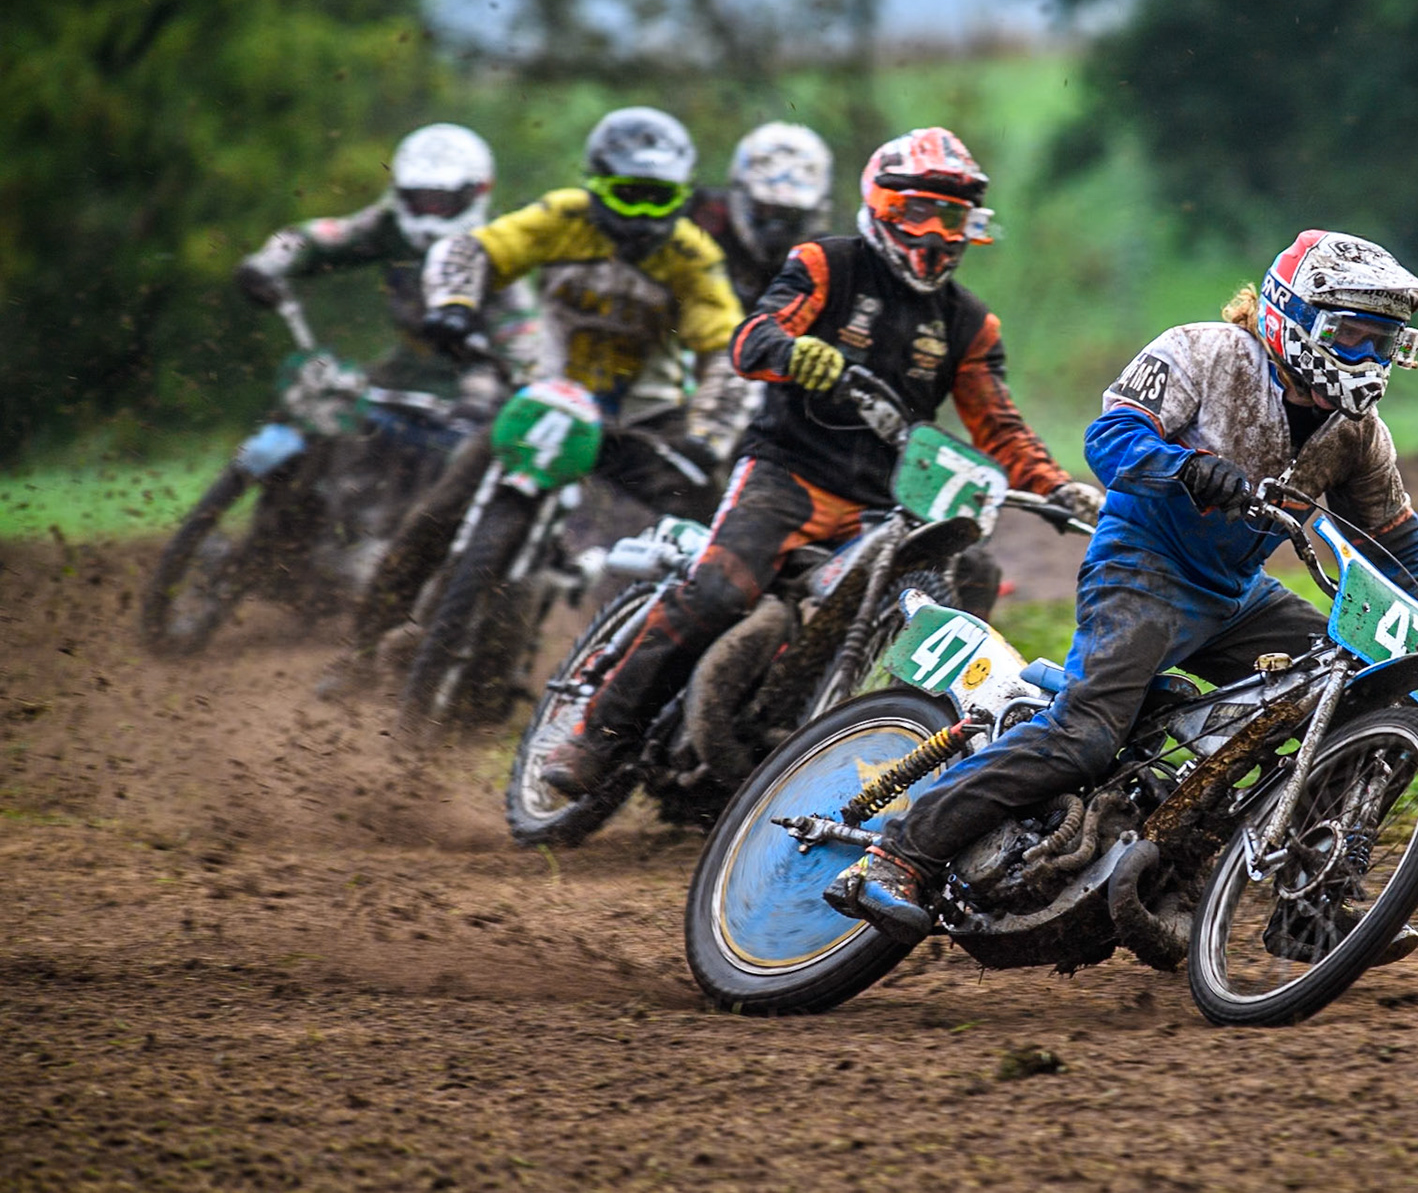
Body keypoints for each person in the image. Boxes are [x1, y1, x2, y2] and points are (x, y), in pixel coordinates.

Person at [824, 229, 1418, 955]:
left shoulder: (1358, 432)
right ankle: (900, 853)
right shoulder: (1206, 352)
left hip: (1235, 595)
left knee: (1370, 699)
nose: (1371, 358)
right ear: (1291, 316)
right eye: (1355, 336)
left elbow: (1403, 542)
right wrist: (1184, 466)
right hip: (1142, 566)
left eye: (1386, 341)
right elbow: (1109, 436)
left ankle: (1310, 906)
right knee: (1085, 736)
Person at [538, 126, 1105, 798]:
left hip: (883, 506)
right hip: (787, 476)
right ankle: (594, 736)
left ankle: (893, 747)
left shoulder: (968, 324)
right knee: (719, 591)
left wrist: (1060, 488)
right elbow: (750, 339)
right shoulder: (826, 265)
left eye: (950, 216)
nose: (933, 232)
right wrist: (792, 352)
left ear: (971, 226)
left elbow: (999, 427)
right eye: (916, 211)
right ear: (882, 208)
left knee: (973, 572)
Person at [318, 107, 749, 697]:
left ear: (682, 196)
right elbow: (471, 251)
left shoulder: (694, 255)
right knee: (435, 514)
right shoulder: (562, 217)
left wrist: (710, 437)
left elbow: (727, 351)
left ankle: (681, 694)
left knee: (723, 532)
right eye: (628, 196)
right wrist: (453, 304)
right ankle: (360, 654)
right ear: (597, 186)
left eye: (660, 199)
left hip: (640, 423)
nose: (643, 216)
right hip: (548, 396)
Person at [233, 122, 534, 401]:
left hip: (472, 387)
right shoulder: (387, 226)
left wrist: (496, 392)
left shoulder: (495, 252)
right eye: (421, 198)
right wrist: (266, 264)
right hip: (402, 372)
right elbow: (318, 238)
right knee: (318, 408)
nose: (430, 211)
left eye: (441, 200)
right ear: (401, 192)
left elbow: (524, 336)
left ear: (477, 192)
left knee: (469, 440)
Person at [685, 122, 835, 310]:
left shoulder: (826, 261)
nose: (775, 227)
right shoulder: (701, 220)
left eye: (790, 214)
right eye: (764, 208)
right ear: (742, 195)